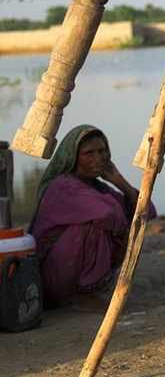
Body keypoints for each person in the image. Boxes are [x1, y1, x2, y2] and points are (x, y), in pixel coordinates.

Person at [29, 125, 157, 313]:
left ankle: (82, 293)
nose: (98, 159)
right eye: (89, 154)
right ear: (73, 157)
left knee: (111, 220)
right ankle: (81, 296)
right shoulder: (64, 186)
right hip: (46, 280)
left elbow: (148, 212)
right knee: (94, 224)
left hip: (62, 274)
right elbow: (107, 214)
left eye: (102, 151)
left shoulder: (96, 187)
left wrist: (118, 180)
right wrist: (123, 235)